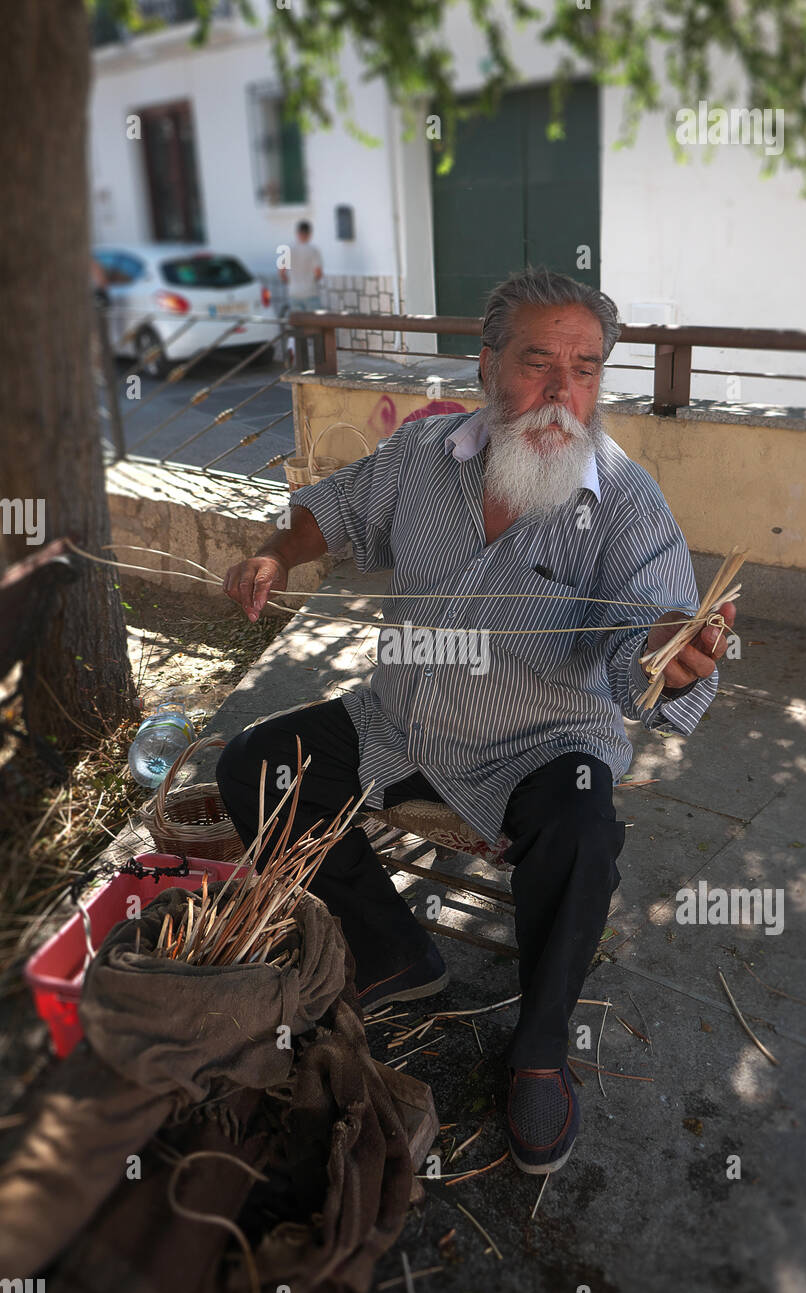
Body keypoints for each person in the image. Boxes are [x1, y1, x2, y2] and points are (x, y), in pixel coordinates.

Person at [219, 267, 736, 1175]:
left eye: (584, 369)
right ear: (488, 362)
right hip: (402, 724)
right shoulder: (425, 459)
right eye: (538, 362)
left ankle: (538, 1049)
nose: (561, 391)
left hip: (538, 745)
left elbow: (648, 630)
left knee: (583, 829)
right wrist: (274, 552)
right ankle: (394, 954)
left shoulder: (622, 501)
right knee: (255, 763)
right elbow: (333, 511)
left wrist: (668, 647)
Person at [280, 219, 323, 312]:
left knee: (298, 323)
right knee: (313, 323)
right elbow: (318, 273)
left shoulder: (288, 250)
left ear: (297, 233)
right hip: (310, 292)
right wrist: (313, 280)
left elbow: (281, 272)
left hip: (294, 292)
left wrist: (289, 282)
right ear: (309, 234)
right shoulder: (313, 250)